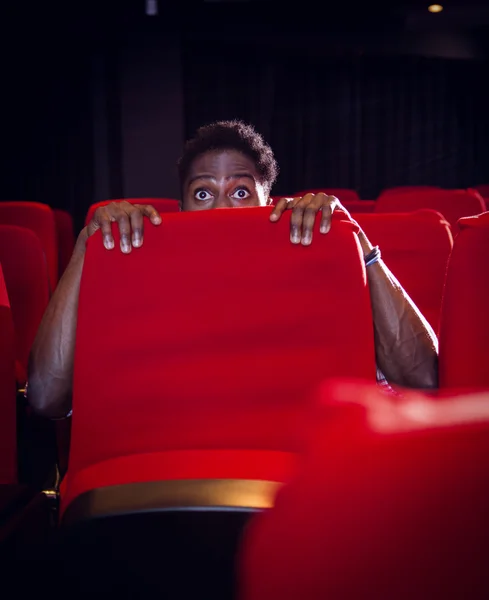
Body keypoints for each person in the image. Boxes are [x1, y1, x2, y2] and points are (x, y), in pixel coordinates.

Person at [27, 120, 438, 419]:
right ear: (182, 207)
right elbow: (45, 398)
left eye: (240, 192)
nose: (222, 209)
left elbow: (423, 377)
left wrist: (356, 241)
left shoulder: (317, 263)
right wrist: (87, 248)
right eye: (203, 192)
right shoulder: (141, 275)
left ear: (268, 201)